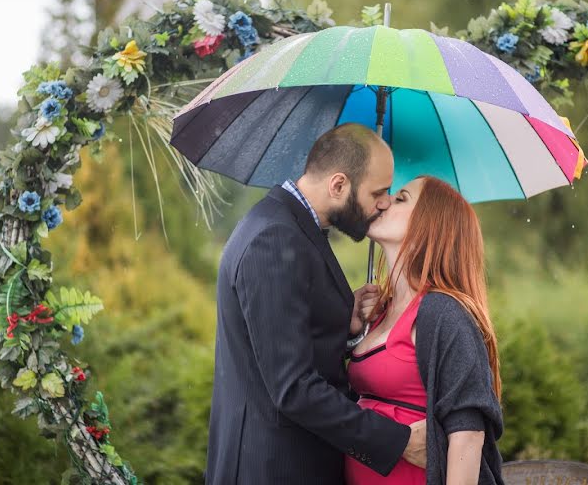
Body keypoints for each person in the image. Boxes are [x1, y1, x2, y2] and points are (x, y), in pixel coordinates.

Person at [205, 123, 426, 485]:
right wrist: (397, 440)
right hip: (273, 468)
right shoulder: (274, 238)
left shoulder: (292, 227)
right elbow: (293, 388)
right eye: (378, 192)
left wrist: (343, 322)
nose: (384, 202)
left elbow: (286, 339)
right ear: (338, 185)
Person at [346, 176, 505, 485]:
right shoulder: (380, 311)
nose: (384, 201)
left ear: (430, 225)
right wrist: (353, 333)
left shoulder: (442, 312)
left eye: (401, 198)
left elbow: (468, 435)